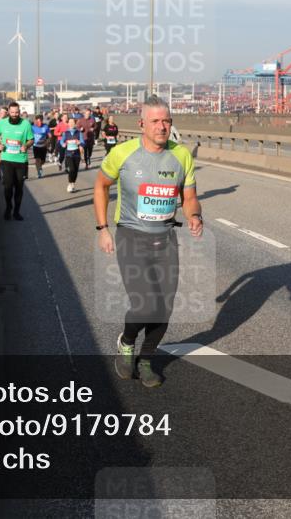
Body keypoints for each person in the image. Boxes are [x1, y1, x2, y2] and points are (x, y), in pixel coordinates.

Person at [93, 95, 203, 388]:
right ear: (141, 124)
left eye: (167, 121)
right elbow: (101, 186)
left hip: (166, 238)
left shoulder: (181, 155)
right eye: (155, 121)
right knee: (144, 305)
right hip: (131, 236)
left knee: (163, 309)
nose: (162, 126)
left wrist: (194, 216)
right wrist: (103, 228)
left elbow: (189, 197)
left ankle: (145, 360)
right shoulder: (123, 154)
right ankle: (127, 342)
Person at [0, 102, 34, 221]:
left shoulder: (25, 124)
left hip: (21, 161)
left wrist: (26, 145)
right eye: (12, 112)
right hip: (7, 160)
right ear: (9, 112)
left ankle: (16, 211)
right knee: (8, 186)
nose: (15, 114)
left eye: (17, 112)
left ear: (19, 112)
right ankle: (8, 207)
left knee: (19, 187)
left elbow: (31, 140)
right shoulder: (2, 123)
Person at [60, 118, 84, 192]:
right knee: (72, 169)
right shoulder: (65, 133)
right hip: (69, 154)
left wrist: (79, 143)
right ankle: (70, 184)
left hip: (76, 154)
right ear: (68, 124)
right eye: (70, 122)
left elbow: (83, 142)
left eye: (72, 122)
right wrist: (63, 144)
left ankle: (73, 184)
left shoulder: (78, 132)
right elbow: (61, 141)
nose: (71, 124)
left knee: (76, 170)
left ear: (75, 123)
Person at [31, 114, 51, 178]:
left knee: (43, 161)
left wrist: (48, 141)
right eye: (38, 121)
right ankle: (39, 172)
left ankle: (40, 166)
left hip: (43, 146)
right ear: (35, 121)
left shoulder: (45, 126)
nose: (39, 123)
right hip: (36, 146)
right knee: (37, 159)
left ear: (42, 121)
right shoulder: (32, 127)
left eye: (40, 121)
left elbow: (50, 135)